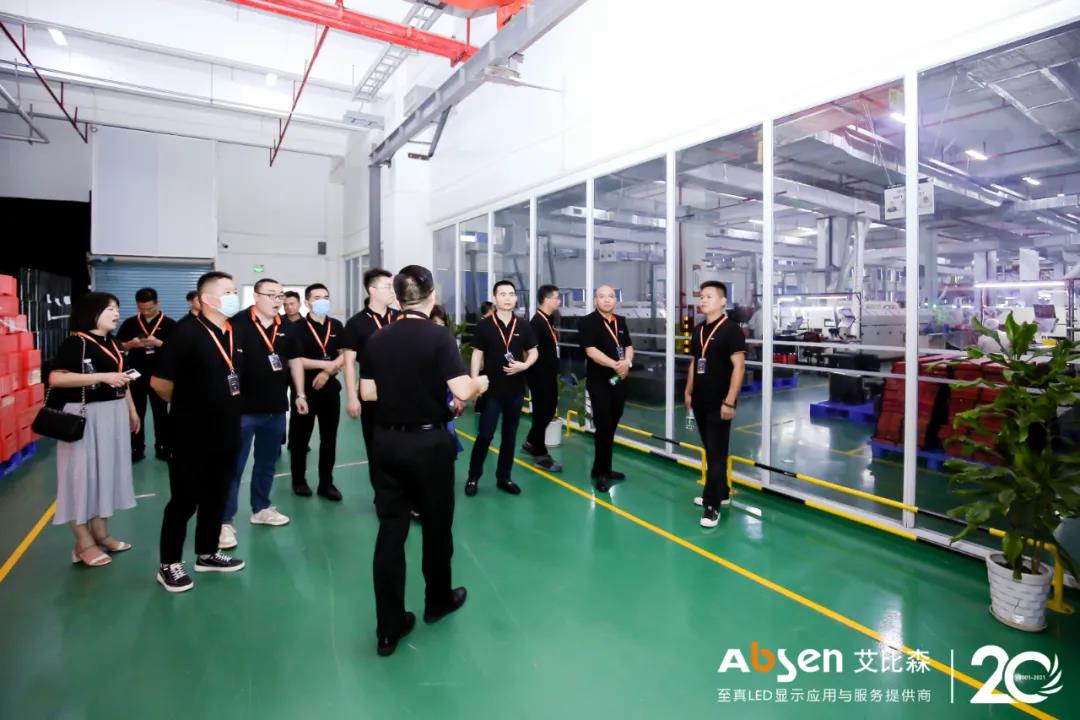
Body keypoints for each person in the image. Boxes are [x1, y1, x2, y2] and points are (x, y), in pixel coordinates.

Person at [360, 265, 489, 657]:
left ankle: (389, 628)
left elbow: (367, 393)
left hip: (386, 443)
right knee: (436, 527)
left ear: (398, 299)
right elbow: (462, 389)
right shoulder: (438, 336)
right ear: (432, 295)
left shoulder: (378, 338)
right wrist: (480, 383)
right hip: (428, 444)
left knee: (390, 533)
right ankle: (437, 601)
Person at [153, 271, 246, 593]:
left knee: (216, 495)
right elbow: (160, 383)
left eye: (234, 290)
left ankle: (207, 553)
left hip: (227, 430)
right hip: (190, 433)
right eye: (228, 291)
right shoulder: (185, 333)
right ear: (207, 299)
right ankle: (169, 564)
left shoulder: (231, 332)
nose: (234, 296)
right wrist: (190, 405)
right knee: (184, 500)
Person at [48, 292, 139, 567]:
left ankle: (101, 533)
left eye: (117, 308)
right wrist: (102, 376)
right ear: (91, 312)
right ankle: (83, 542)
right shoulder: (76, 343)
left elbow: (123, 379)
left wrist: (131, 410)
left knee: (104, 474)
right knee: (79, 476)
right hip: (84, 414)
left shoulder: (114, 343)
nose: (116, 313)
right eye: (110, 309)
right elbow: (56, 378)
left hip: (113, 413)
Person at [219, 279, 308, 551]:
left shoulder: (288, 327)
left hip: (276, 408)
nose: (277, 300)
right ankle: (224, 520)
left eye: (280, 295)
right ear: (256, 296)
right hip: (242, 410)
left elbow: (295, 361)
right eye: (271, 295)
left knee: (267, 462)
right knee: (234, 466)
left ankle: (261, 508)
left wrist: (300, 394)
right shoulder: (236, 324)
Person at [465, 281, 538, 497]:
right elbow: (477, 355)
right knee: (485, 435)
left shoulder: (523, 325)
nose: (507, 298)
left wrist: (525, 365)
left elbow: (534, 351)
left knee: (509, 436)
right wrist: (474, 384)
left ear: (516, 298)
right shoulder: (485, 325)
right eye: (502, 294)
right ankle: (473, 476)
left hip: (515, 391)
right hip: (491, 391)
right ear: (495, 298)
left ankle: (504, 477)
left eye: (511, 294)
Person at [683, 281, 746, 528]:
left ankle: (712, 506)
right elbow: (694, 361)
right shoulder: (698, 329)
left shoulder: (732, 330)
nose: (703, 300)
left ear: (722, 301)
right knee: (711, 450)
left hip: (720, 403)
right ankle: (722, 492)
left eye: (709, 296)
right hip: (700, 399)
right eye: (701, 297)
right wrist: (689, 390)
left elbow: (739, 367)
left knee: (717, 455)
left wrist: (730, 401)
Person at [342, 268, 401, 490]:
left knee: (402, 447)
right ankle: (382, 496)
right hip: (371, 394)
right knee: (377, 447)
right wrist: (352, 398)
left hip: (402, 393)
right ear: (372, 290)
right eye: (387, 287)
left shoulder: (400, 317)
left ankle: (404, 494)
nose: (393, 291)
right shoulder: (356, 323)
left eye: (393, 287)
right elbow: (348, 363)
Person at [290, 283, 346, 500]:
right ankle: (299, 480)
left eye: (326, 297)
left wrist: (327, 372)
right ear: (307, 303)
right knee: (300, 438)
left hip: (330, 391)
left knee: (329, 439)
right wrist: (326, 365)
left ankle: (326, 483)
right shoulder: (296, 328)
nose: (322, 301)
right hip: (304, 391)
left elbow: (345, 354)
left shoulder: (337, 325)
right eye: (317, 297)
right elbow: (296, 360)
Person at [578, 285, 634, 493]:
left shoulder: (620, 321)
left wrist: (626, 363)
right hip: (600, 382)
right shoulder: (587, 322)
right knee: (603, 425)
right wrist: (615, 365)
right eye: (602, 296)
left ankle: (603, 468)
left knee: (611, 426)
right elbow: (591, 351)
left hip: (619, 381)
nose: (607, 300)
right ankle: (602, 473)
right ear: (595, 300)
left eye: (611, 296)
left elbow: (628, 346)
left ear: (615, 300)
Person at [117, 287, 177, 462]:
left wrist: (158, 343)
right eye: (141, 308)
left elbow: (178, 350)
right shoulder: (130, 323)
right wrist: (131, 344)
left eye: (149, 308)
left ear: (157, 303)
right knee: (136, 412)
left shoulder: (170, 324)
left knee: (161, 413)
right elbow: (117, 347)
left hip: (160, 375)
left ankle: (163, 447)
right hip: (136, 374)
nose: (146, 312)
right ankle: (136, 448)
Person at [522, 284, 563, 472]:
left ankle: (531, 442)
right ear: (546, 300)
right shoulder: (537, 323)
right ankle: (540, 454)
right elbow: (528, 350)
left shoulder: (548, 320)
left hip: (548, 375)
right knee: (543, 412)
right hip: (539, 376)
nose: (559, 301)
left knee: (548, 410)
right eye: (556, 298)